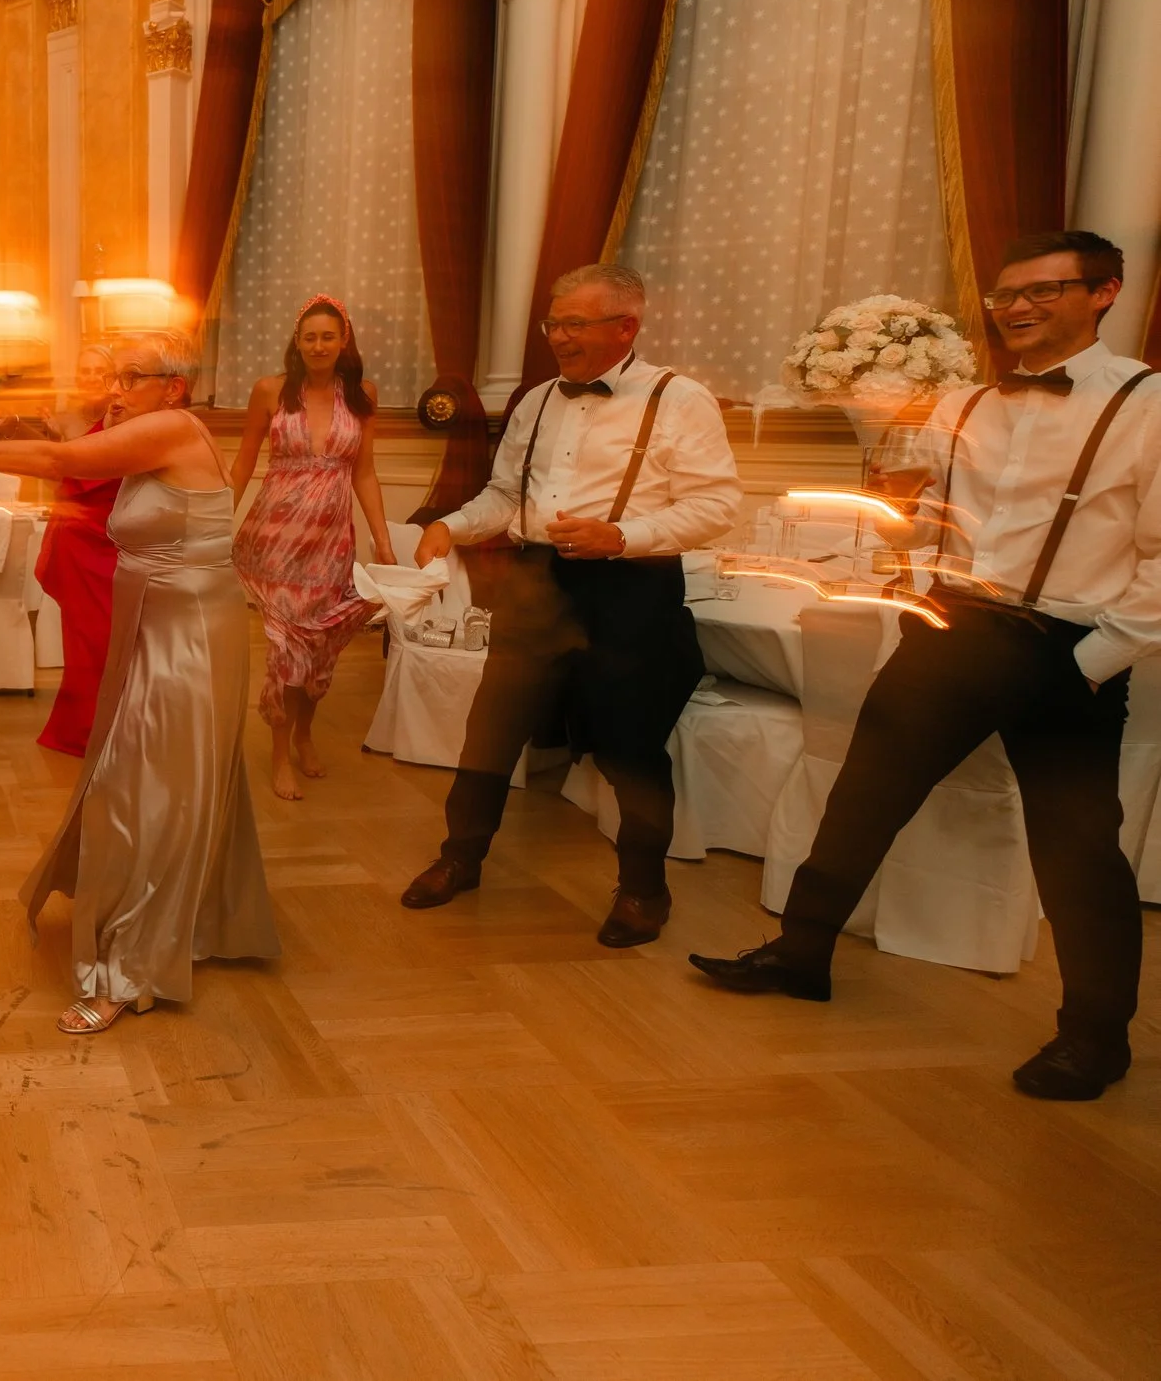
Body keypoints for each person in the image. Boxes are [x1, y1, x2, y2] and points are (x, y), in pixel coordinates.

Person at [694, 231, 1158, 1101]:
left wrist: (1095, 661)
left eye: (1043, 290)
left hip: (1069, 650)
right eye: (1005, 294)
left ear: (1105, 292)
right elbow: (939, 516)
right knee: (863, 795)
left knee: (1079, 848)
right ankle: (802, 953)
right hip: (953, 630)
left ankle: (1096, 1037)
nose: (1016, 308)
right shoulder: (966, 405)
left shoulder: (1148, 404)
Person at [0, 334, 280, 1034]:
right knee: (162, 778)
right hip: (158, 624)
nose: (116, 390)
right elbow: (69, 449)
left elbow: (63, 460)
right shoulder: (142, 429)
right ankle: (191, 919)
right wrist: (3, 430)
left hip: (189, 633)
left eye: (131, 378)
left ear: (173, 387)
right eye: (118, 378)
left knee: (143, 786)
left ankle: (131, 966)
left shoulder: (170, 428)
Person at [403, 265, 741, 946]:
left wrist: (623, 536)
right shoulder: (535, 401)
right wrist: (452, 525)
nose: (559, 335)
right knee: (490, 727)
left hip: (630, 590)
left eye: (575, 323)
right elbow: (507, 496)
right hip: (537, 583)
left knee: (631, 747)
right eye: (553, 322)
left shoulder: (679, 398)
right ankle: (460, 857)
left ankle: (644, 890)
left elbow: (717, 505)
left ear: (626, 326)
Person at [228, 295, 398, 800]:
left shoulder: (362, 395)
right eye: (309, 337)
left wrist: (382, 540)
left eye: (328, 336)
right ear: (296, 343)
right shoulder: (270, 392)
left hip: (330, 543)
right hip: (275, 540)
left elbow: (363, 472)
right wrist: (213, 522)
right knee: (285, 653)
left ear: (343, 341)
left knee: (320, 650)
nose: (318, 345)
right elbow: (242, 465)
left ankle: (305, 732)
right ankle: (280, 753)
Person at [34, 345, 121, 757]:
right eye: (83, 370)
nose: (90, 378)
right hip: (76, 542)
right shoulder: (65, 420)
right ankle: (80, 731)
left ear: (115, 377)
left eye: (99, 371)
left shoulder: (126, 420)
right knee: (81, 640)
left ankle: (115, 727)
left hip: (112, 544)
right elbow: (58, 477)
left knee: (110, 639)